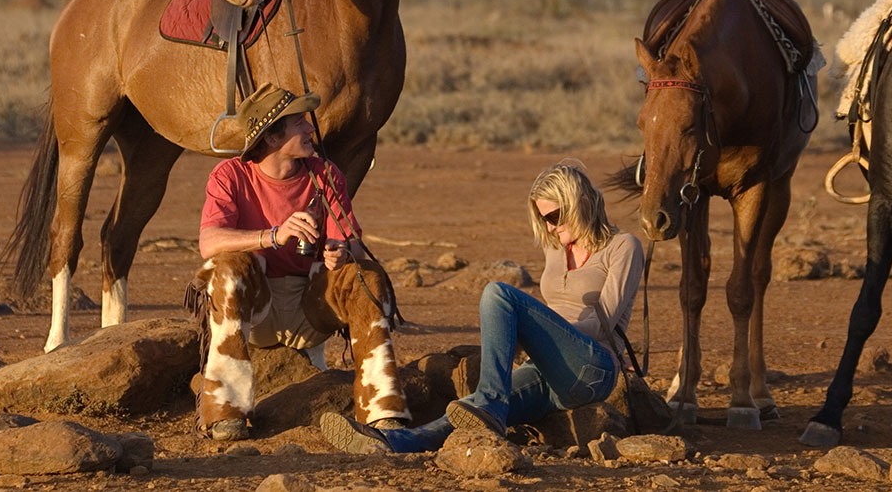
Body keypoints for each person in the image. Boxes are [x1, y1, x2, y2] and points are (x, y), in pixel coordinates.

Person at [317, 159, 645, 453]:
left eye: (554, 216)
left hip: (593, 367)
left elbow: (603, 324)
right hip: (548, 369)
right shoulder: (556, 250)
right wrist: (535, 340)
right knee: (468, 409)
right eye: (542, 218)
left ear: (581, 203)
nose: (548, 227)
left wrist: (540, 332)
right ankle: (392, 441)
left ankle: (491, 404)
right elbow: (549, 317)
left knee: (497, 294)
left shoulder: (623, 247)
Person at [191, 83, 409, 441]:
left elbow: (353, 243)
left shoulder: (324, 174)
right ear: (272, 136)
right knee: (224, 268)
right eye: (300, 124)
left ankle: (382, 413)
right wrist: (272, 235)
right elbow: (208, 242)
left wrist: (340, 251)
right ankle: (225, 413)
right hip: (256, 311)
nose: (311, 128)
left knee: (366, 277)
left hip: (312, 307)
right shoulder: (230, 176)